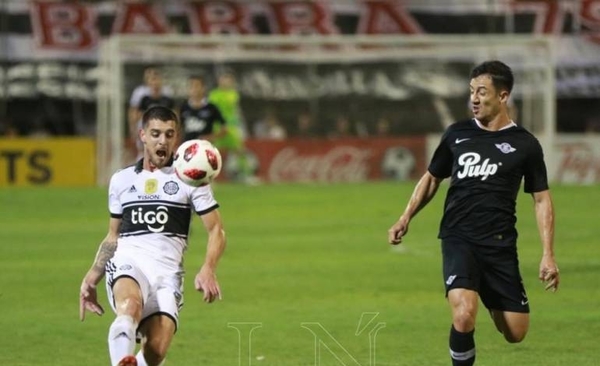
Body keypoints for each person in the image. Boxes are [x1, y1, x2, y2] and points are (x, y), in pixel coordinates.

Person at [387, 60, 559, 366]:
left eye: (482, 91)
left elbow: (542, 199)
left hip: (499, 244)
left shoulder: (526, 145)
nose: (474, 99)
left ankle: (489, 292)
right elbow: (432, 178)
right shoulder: (457, 134)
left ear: (503, 96)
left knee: (516, 332)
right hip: (459, 237)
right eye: (471, 91)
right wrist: (405, 216)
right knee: (464, 314)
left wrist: (548, 253)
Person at [79, 106, 226, 366]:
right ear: (143, 135)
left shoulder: (191, 178)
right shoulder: (121, 180)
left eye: (169, 135)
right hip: (128, 262)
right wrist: (92, 277)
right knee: (130, 306)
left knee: (156, 350)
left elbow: (216, 230)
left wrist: (208, 268)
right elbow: (113, 236)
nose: (163, 141)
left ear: (177, 138)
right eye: (156, 133)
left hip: (167, 275)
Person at [208, 69, 253, 182]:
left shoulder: (233, 94)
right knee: (213, 153)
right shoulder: (214, 94)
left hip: (231, 128)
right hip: (218, 127)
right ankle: (209, 178)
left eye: (229, 80)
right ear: (219, 81)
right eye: (225, 79)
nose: (227, 82)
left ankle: (247, 175)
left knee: (239, 151)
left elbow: (234, 111)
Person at [179, 75, 227, 143]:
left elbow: (224, 128)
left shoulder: (211, 107)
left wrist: (212, 136)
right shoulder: (183, 107)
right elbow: (178, 128)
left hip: (205, 148)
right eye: (191, 86)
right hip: (188, 147)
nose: (194, 89)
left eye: (196, 85)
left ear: (203, 88)